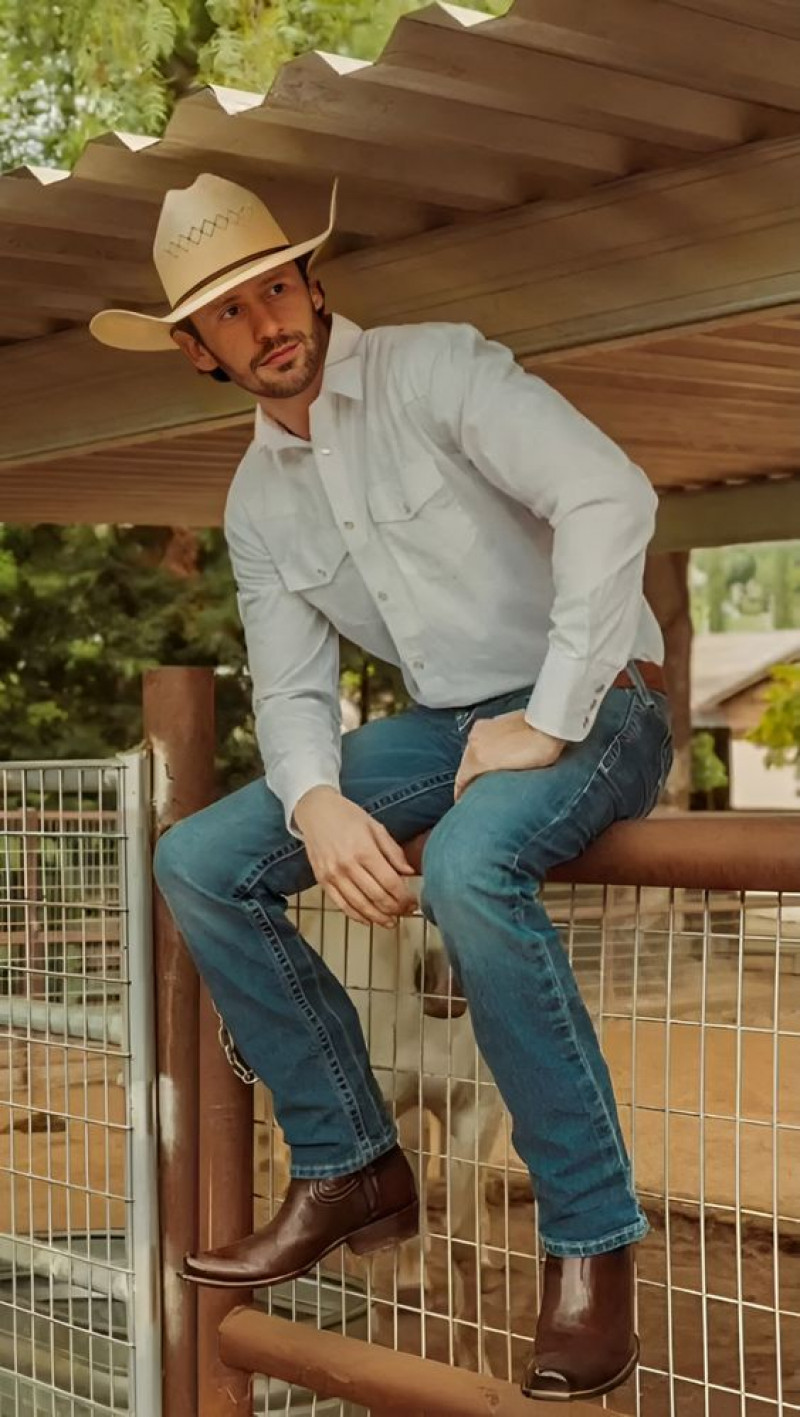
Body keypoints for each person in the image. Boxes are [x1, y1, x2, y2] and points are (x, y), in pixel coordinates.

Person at [90, 173, 673, 1402]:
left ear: (310, 279)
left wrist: (548, 715)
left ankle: (588, 1240)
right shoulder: (256, 498)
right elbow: (292, 690)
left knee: (469, 865)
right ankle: (350, 1161)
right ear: (198, 351)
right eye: (230, 316)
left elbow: (609, 495)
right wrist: (313, 802)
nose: (266, 325)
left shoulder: (435, 370)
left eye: (273, 290)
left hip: (600, 695)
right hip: (441, 725)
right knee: (199, 858)